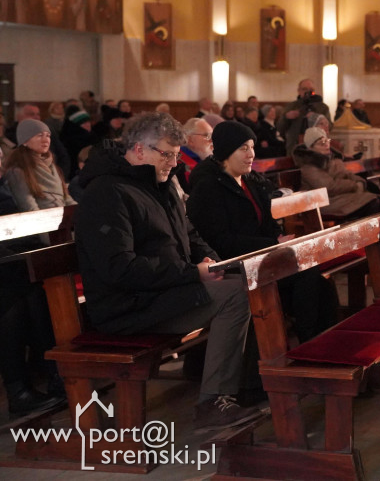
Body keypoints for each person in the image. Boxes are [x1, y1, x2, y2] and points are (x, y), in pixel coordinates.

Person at [74, 113, 260, 430]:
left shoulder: (160, 186)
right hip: (127, 308)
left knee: (244, 280)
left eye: (176, 154)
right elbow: (119, 268)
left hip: (163, 295)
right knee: (235, 295)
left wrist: (215, 264)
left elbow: (192, 236)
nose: (174, 163)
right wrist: (192, 273)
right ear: (138, 149)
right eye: (168, 154)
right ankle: (214, 400)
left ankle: (251, 387)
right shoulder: (106, 193)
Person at [187, 121, 340, 344]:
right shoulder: (208, 187)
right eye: (244, 148)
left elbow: (266, 221)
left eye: (252, 147)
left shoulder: (249, 181)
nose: (251, 154)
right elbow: (220, 240)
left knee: (320, 281)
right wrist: (272, 243)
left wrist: (277, 239)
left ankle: (325, 346)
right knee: (306, 275)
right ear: (226, 152)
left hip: (262, 255)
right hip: (235, 264)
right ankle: (308, 346)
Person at [0, 150, 64, 416]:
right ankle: (19, 389)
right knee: (15, 297)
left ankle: (55, 375)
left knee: (35, 290)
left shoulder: (3, 189)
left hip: (11, 262)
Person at [292, 127, 380, 221]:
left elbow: (347, 174)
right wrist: (354, 185)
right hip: (324, 203)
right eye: (322, 143)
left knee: (379, 199)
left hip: (340, 197)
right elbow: (329, 187)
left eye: (327, 140)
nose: (327, 145)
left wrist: (360, 182)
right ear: (311, 147)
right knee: (373, 203)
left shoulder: (333, 159)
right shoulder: (309, 166)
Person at [4, 119, 76, 212]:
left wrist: (78, 213)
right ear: (25, 141)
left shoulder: (52, 166)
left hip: (62, 221)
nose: (46, 140)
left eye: (48, 136)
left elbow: (66, 198)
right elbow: (28, 206)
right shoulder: (18, 171)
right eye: (40, 135)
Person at [278, 78, 331, 154]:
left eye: (311, 89)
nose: (308, 92)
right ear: (299, 91)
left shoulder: (322, 107)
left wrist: (317, 118)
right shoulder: (291, 106)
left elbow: (329, 127)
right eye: (304, 89)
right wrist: (286, 117)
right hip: (294, 147)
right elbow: (280, 128)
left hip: (318, 147)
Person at [174, 117, 215, 192]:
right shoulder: (179, 164)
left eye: (212, 136)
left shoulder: (209, 160)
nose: (212, 140)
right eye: (207, 136)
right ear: (190, 140)